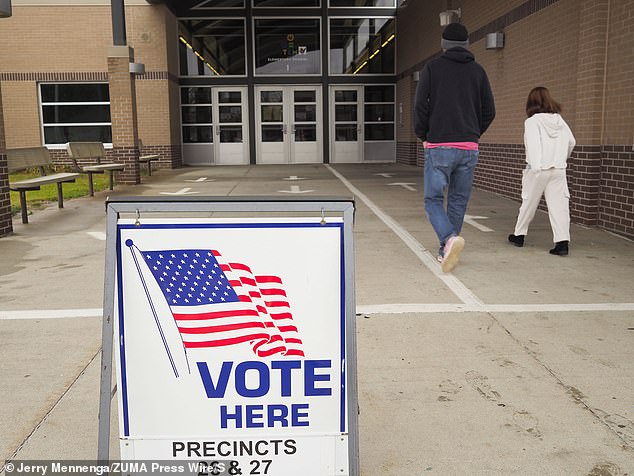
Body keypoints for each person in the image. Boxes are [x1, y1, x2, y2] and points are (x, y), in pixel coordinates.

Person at [413, 22, 496, 273]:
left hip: (439, 145)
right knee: (459, 200)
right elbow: (489, 111)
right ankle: (445, 250)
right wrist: (472, 134)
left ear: (444, 45)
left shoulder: (432, 69)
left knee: (432, 200)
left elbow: (420, 106)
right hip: (469, 147)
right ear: (467, 44)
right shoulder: (478, 72)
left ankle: (448, 239)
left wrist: (423, 134)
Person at [508, 86, 576, 256]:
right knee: (559, 206)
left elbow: (533, 144)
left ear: (531, 102)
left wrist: (536, 166)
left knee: (528, 203)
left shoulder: (532, 121)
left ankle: (519, 236)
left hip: (538, 169)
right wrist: (561, 158)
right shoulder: (560, 120)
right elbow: (572, 142)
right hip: (558, 169)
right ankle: (562, 243)